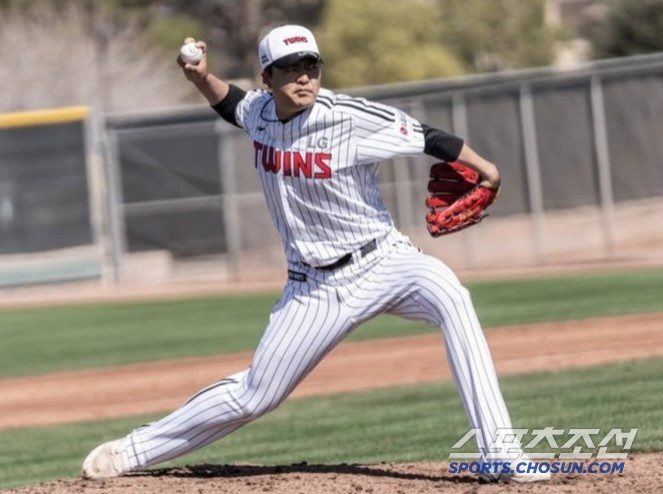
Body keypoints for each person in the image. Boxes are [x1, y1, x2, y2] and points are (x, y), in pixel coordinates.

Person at [82, 24, 549, 483]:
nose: (304, 77)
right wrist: (200, 76)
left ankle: (501, 453)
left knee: (450, 294)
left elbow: (428, 137)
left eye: (311, 65)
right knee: (254, 396)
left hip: (383, 260)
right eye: (289, 68)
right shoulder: (260, 112)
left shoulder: (350, 117)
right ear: (267, 78)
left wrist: (487, 170)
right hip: (314, 288)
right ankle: (132, 451)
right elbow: (232, 105)